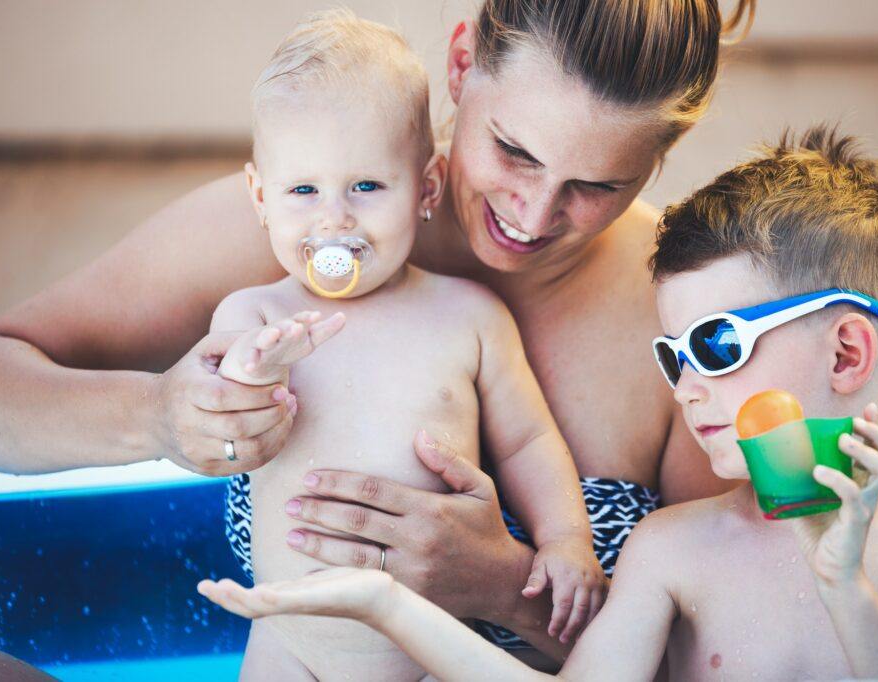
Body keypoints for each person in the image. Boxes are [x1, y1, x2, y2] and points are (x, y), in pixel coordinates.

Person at [0, 0, 751, 663]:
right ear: (460, 64)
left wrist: (502, 588)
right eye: (514, 151)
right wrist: (157, 417)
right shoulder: (295, 218)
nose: (533, 212)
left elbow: (726, 653)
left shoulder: (676, 318)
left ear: (656, 164)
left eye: (595, 186)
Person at [198, 128, 878, 680]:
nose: (686, 387)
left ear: (847, 350)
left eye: (717, 347)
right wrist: (385, 604)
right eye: (673, 354)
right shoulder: (674, 549)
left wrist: (846, 592)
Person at [212, 11, 606, 678]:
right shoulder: (252, 314)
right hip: (291, 643)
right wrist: (250, 376)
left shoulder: (469, 316)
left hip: (432, 649)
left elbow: (528, 443)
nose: (334, 217)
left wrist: (567, 541)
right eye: (303, 190)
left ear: (426, 187)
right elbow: (217, 426)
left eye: (367, 186)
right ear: (260, 197)